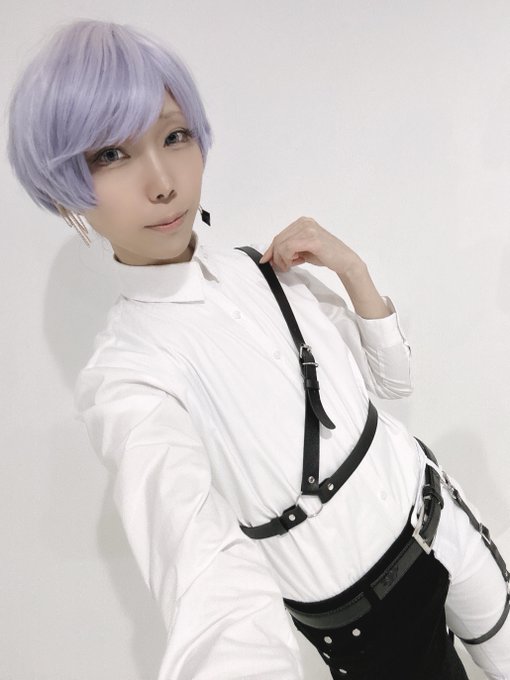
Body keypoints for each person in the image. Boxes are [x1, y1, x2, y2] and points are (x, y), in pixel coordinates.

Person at [6, 18, 510, 680]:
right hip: (374, 621)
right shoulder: (128, 377)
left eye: (174, 136)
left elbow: (395, 382)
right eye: (111, 154)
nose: (163, 182)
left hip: (449, 522)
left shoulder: (262, 268)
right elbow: (202, 571)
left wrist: (353, 271)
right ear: (62, 191)